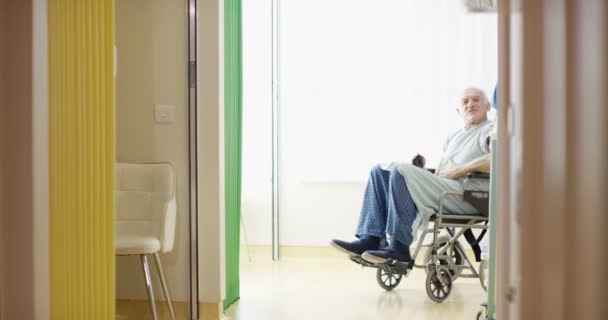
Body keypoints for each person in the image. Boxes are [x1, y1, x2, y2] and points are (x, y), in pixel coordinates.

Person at [331, 87, 494, 265]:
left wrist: (460, 170)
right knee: (380, 171)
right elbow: (441, 174)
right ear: (458, 111)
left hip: (471, 195)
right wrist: (421, 170)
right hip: (447, 190)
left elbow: (497, 158)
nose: (470, 104)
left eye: (476, 100)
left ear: (487, 105)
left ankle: (399, 247)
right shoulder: (453, 137)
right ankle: (371, 238)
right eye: (465, 102)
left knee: (401, 170)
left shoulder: (491, 130)